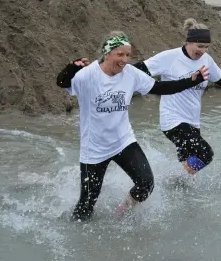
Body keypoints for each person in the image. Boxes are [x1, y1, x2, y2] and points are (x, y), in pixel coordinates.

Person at [72, 18, 221, 177]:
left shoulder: (206, 60)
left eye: (206, 47)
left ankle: (174, 186)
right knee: (205, 154)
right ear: (188, 42)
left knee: (188, 169)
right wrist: (105, 75)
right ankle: (171, 180)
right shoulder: (170, 57)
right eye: (199, 46)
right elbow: (138, 69)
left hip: (193, 123)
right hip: (173, 121)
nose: (202, 51)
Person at [56, 30, 209, 221]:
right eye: (120, 54)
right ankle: (76, 237)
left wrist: (191, 81)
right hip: (94, 149)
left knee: (146, 184)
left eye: (128, 55)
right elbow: (62, 82)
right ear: (107, 53)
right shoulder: (88, 75)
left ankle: (121, 211)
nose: (124, 60)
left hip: (123, 142)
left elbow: (160, 87)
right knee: (86, 206)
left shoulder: (130, 74)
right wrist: (71, 68)